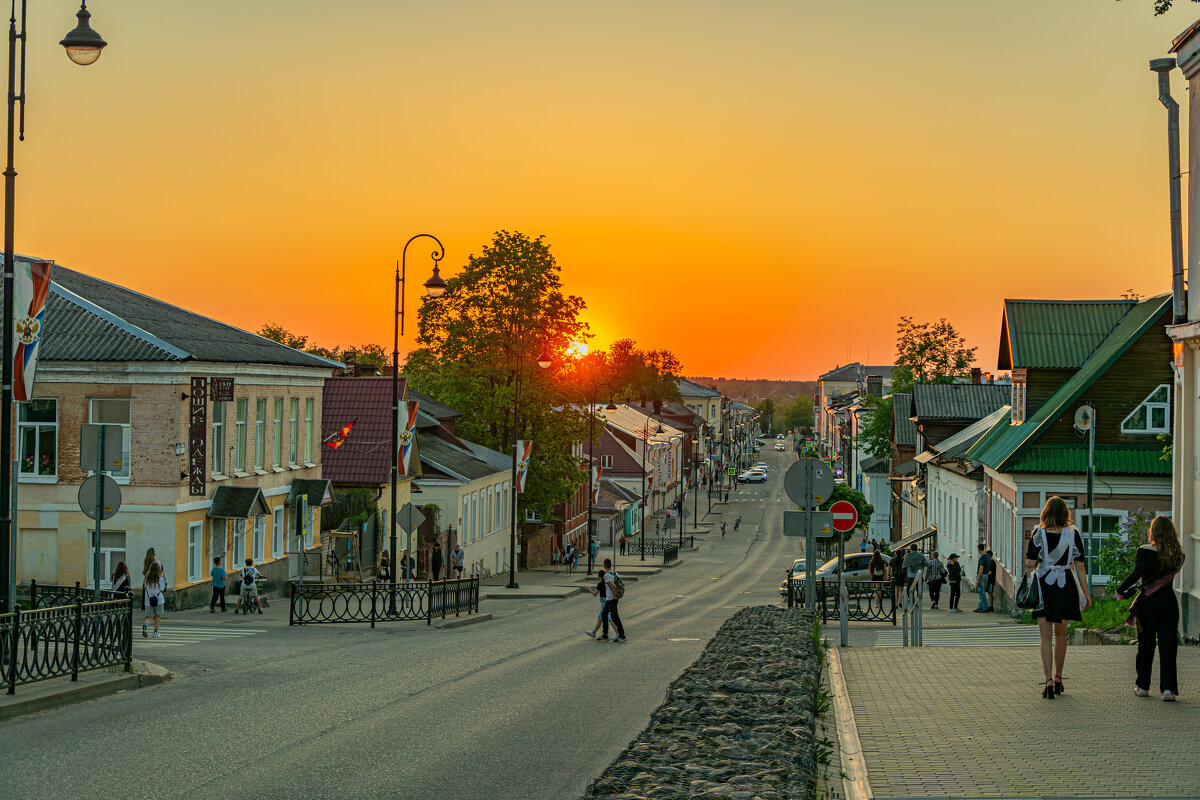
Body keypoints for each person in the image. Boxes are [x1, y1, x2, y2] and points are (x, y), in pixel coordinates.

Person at [1026, 496, 1090, 699]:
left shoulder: (1038, 533)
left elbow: (1029, 563)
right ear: (1065, 514)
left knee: (1045, 636)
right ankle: (1059, 677)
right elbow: (1080, 566)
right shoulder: (1073, 533)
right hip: (1066, 585)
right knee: (1061, 634)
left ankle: (1047, 681)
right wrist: (1086, 595)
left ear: (1046, 512)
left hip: (1045, 586)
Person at [1116, 515, 1185, 701]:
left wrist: (1121, 590)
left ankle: (1143, 686)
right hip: (1169, 603)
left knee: (1146, 645)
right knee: (1168, 646)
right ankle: (1168, 690)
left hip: (1148, 603)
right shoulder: (1179, 554)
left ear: (1153, 531)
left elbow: (1136, 575)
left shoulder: (1144, 551)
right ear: (1171, 532)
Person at [600, 557, 626, 642]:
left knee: (615, 618)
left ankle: (622, 636)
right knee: (604, 614)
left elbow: (614, 587)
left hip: (611, 599)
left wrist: (615, 598)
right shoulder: (615, 573)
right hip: (610, 599)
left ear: (604, 566)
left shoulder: (606, 575)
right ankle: (605, 634)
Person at [143, 561, 165, 639]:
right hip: (158, 600)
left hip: (148, 600)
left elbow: (145, 588)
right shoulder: (160, 579)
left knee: (150, 616)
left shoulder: (146, 579)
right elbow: (162, 589)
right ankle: (155, 633)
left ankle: (146, 625)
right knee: (157, 616)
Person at [585, 568, 609, 638]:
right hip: (607, 600)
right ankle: (594, 632)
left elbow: (595, 594)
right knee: (601, 618)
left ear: (599, 576)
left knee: (608, 618)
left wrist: (589, 589)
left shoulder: (600, 584)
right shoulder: (607, 583)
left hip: (604, 602)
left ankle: (617, 632)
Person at [974, 544, 993, 613]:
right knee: (982, 591)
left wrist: (978, 579)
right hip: (986, 575)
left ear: (978, 549)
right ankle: (980, 606)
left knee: (981, 592)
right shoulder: (988, 556)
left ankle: (985, 607)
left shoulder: (982, 557)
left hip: (982, 575)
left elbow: (981, 568)